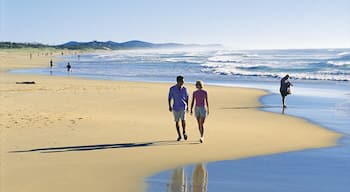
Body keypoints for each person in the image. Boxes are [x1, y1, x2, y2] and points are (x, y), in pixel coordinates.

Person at [168, 76, 189, 141]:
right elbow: (169, 98)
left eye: (183, 81)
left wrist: (187, 106)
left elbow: (187, 98)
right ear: (178, 81)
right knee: (177, 122)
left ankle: (184, 132)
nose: (183, 82)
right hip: (175, 107)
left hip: (183, 106)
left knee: (183, 120)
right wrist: (169, 106)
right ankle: (179, 135)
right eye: (182, 81)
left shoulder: (185, 89)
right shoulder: (172, 88)